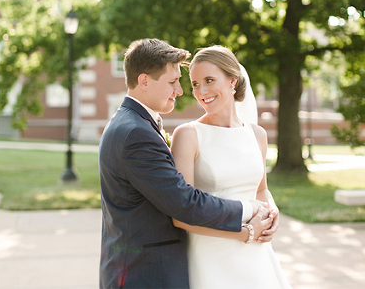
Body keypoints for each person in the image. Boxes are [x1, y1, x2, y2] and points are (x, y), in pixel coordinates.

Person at [99, 38, 272, 289]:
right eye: (173, 82)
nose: (180, 91)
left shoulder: (135, 124)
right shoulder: (135, 133)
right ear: (144, 81)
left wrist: (267, 214)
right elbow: (184, 203)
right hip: (145, 274)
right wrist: (249, 215)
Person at [171, 45, 291, 289]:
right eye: (195, 84)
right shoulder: (188, 135)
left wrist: (273, 212)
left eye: (209, 80)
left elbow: (261, 190)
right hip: (210, 256)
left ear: (232, 82)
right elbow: (180, 215)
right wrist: (245, 232)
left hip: (256, 253)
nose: (201, 91)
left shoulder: (257, 135)